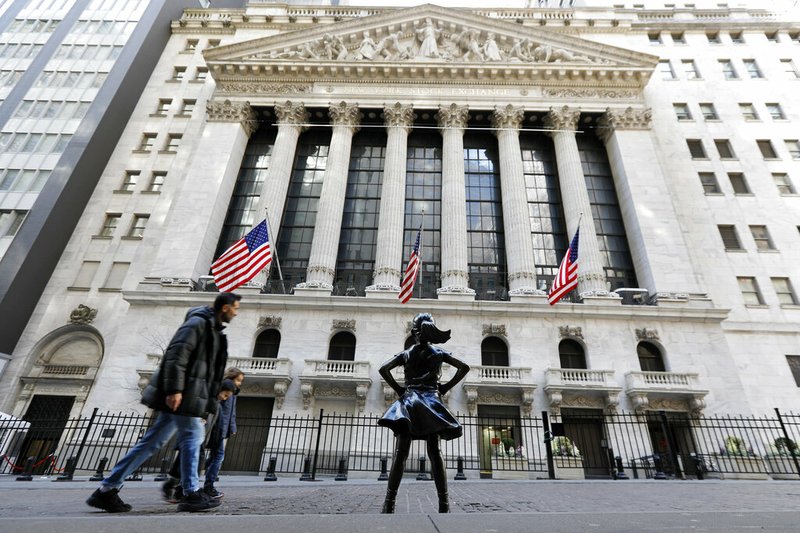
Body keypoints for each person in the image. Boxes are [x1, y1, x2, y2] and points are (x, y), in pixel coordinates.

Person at [86, 292, 241, 513]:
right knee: (192, 438)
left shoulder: (214, 330)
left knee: (152, 444)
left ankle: (106, 490)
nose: (236, 312)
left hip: (190, 396)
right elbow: (176, 355)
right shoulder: (198, 323)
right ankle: (190, 493)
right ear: (225, 307)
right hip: (183, 396)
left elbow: (209, 372)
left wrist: (206, 402)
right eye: (235, 308)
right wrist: (175, 389)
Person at [378, 313, 470, 514]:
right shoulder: (438, 352)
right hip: (431, 402)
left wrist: (400, 389)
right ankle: (444, 504)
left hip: (410, 402)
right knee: (435, 454)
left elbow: (383, 369)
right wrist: (445, 387)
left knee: (401, 453)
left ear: (414, 333)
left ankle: (389, 502)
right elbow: (464, 367)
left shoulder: (407, 353)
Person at [161, 378, 237, 503]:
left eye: (227, 396)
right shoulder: (204, 400)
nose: (225, 398)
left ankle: (183, 491)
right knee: (187, 466)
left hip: (201, 440)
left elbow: (214, 427)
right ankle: (183, 491)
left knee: (189, 466)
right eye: (225, 394)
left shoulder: (216, 405)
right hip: (192, 439)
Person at [202, 367, 245, 498]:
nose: (240, 383)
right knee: (218, 456)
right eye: (238, 380)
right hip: (216, 427)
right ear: (231, 378)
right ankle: (208, 486)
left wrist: (232, 427)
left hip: (222, 427)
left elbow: (232, 412)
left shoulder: (233, 392)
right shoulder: (224, 389)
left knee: (212, 457)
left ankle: (198, 480)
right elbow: (217, 409)